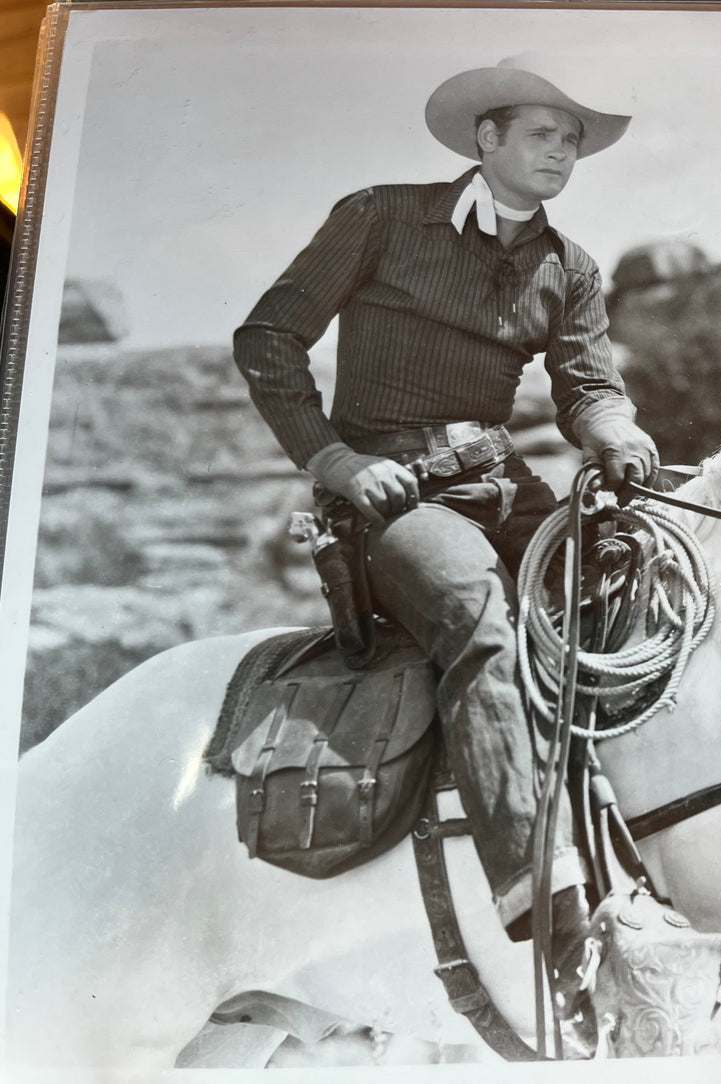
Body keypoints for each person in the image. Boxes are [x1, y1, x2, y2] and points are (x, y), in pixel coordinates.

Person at [233, 55, 657, 999]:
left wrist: (617, 435)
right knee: (476, 610)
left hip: (502, 479)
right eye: (544, 134)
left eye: (574, 142)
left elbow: (586, 385)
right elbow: (267, 338)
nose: (562, 153)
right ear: (487, 139)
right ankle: (542, 898)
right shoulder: (380, 216)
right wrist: (336, 463)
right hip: (388, 498)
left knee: (650, 584)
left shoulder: (569, 266)